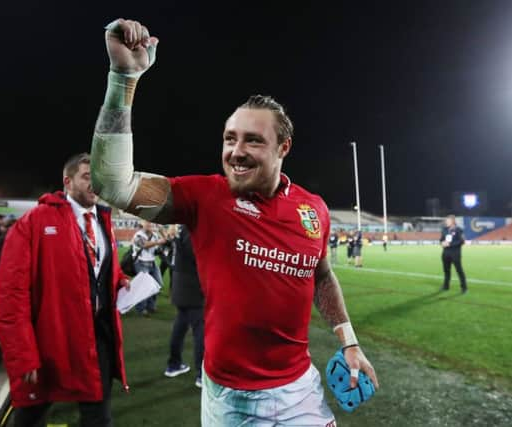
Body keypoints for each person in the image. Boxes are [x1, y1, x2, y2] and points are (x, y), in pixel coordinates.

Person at [89, 18, 378, 426]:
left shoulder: (314, 210)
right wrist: (123, 78)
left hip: (301, 389)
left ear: (284, 147)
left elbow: (323, 276)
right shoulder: (205, 198)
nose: (236, 151)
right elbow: (111, 182)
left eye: (253, 140)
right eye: (230, 138)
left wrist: (349, 342)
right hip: (232, 402)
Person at [0, 153, 131, 427]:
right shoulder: (34, 221)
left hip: (98, 337)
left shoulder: (104, 220)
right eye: (87, 177)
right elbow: (11, 295)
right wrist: (23, 354)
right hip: (50, 339)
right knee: (31, 415)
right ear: (67, 182)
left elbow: (95, 271)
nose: (96, 184)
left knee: (98, 416)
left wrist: (119, 281)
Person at [164, 226, 204, 388]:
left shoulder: (182, 227)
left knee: (179, 327)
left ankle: (174, 364)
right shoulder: (191, 229)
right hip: (192, 288)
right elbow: (196, 255)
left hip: (181, 287)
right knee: (200, 331)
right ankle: (202, 375)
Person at [132, 220, 167, 316]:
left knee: (157, 284)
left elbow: (158, 248)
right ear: (142, 224)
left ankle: (151, 305)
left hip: (152, 263)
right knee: (143, 287)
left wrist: (163, 234)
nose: (149, 224)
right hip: (140, 262)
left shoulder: (155, 235)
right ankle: (141, 308)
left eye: (151, 223)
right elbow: (144, 244)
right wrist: (158, 242)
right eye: (147, 222)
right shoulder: (138, 235)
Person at [440, 214, 467, 294]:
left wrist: (450, 244)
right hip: (445, 253)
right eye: (446, 220)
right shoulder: (444, 229)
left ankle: (464, 287)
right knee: (446, 271)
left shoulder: (459, 230)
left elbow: (462, 241)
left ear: (452, 221)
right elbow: (441, 239)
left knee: (459, 270)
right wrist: (442, 243)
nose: (446, 222)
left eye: (447, 220)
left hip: (455, 254)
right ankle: (446, 286)